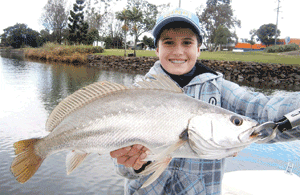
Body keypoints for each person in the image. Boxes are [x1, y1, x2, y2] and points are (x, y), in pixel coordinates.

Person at [110, 8, 300, 195]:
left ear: (198, 49)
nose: (178, 51)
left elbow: (264, 111)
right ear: (157, 49)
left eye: (187, 42)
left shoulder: (221, 90)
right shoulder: (136, 94)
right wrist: (135, 165)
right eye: (168, 42)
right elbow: (120, 166)